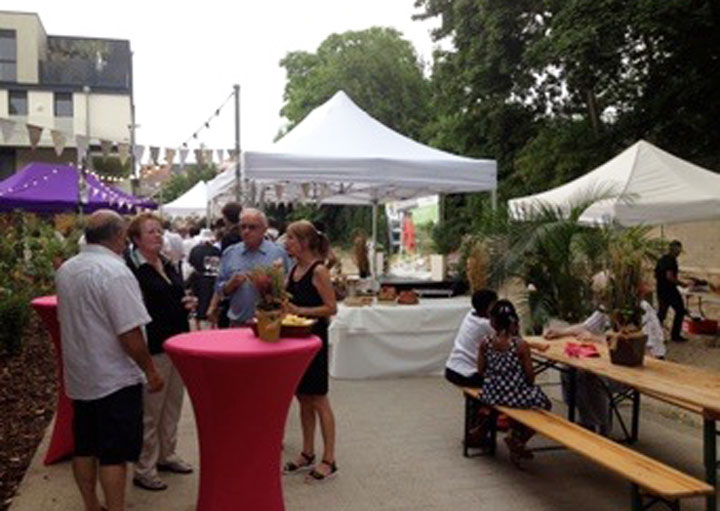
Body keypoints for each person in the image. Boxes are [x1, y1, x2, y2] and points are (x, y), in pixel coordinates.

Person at [55, 210, 163, 511]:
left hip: (81, 375)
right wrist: (151, 371)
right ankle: (115, 507)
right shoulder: (116, 272)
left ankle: (91, 504)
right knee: (114, 453)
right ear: (119, 236)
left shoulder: (67, 269)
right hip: (114, 377)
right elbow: (129, 332)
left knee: (85, 446)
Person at [125, 213, 196, 491]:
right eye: (151, 231)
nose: (158, 235)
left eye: (159, 230)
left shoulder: (166, 263)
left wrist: (186, 303)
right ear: (136, 239)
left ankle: (167, 454)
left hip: (178, 343)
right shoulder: (132, 270)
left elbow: (173, 297)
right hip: (155, 346)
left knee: (173, 405)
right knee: (151, 411)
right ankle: (145, 467)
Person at [544, 280, 666, 434]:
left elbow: (648, 353)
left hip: (641, 368)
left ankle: (601, 428)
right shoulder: (607, 307)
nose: (598, 300)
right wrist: (560, 332)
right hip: (616, 363)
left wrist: (597, 339)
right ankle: (586, 420)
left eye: (601, 296)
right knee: (569, 368)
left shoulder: (638, 310)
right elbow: (587, 326)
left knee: (590, 376)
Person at [282, 220, 339, 481]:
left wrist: (300, 311)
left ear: (304, 242)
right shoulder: (294, 269)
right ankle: (307, 452)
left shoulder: (318, 271)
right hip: (297, 342)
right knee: (302, 398)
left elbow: (331, 308)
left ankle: (329, 458)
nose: (286, 242)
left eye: (291, 238)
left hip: (314, 341)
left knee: (319, 400)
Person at [477, 300, 551, 465]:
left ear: (493, 322)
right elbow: (530, 376)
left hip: (491, 394)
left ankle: (513, 433)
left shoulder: (485, 342)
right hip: (513, 395)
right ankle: (519, 439)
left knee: (521, 401)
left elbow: (481, 370)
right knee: (545, 405)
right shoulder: (520, 345)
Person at [214, 208, 291, 326]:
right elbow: (219, 290)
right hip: (238, 323)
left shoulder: (278, 253)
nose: (246, 231)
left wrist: (269, 286)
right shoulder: (230, 253)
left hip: (269, 323)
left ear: (264, 229)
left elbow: (288, 287)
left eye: (252, 227)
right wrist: (230, 285)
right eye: (243, 227)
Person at [445, 289, 498, 387]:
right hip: (467, 373)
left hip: (452, 367)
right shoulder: (485, 325)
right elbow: (507, 336)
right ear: (488, 308)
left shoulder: (470, 315)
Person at [655, 240, 689, 342]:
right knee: (680, 311)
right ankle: (675, 335)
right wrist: (681, 284)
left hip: (661, 289)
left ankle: (653, 334)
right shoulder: (671, 260)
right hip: (669, 290)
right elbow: (669, 277)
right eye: (678, 250)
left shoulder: (661, 259)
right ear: (674, 249)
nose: (679, 252)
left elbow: (656, 275)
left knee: (661, 314)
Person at [186, 228, 221, 329]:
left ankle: (198, 326)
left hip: (198, 279)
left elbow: (191, 264)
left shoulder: (195, 249)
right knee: (212, 301)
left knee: (199, 303)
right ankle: (213, 324)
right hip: (213, 279)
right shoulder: (216, 250)